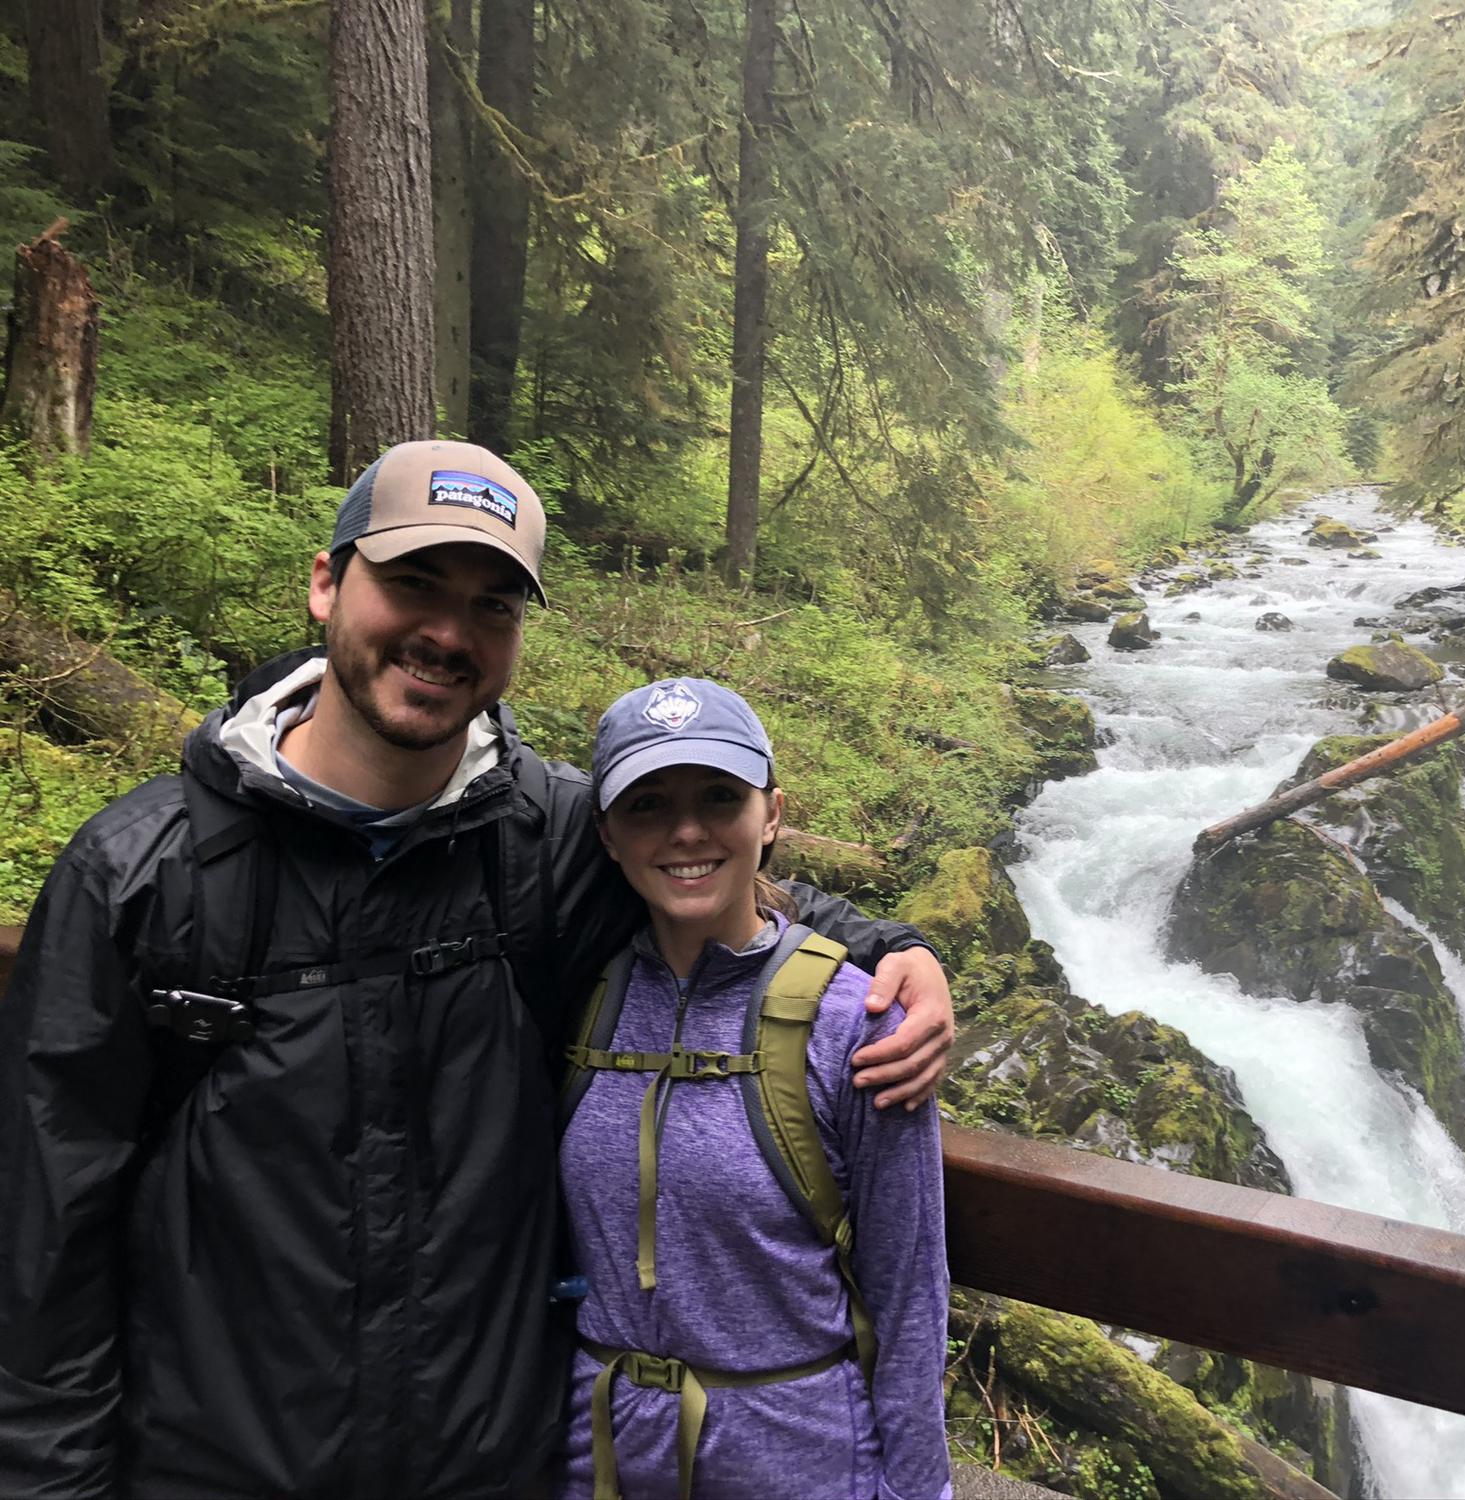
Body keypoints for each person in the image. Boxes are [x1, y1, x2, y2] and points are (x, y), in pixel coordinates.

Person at [0, 441, 955, 1498]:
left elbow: (702, 877)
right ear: (325, 584)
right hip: (215, 1466)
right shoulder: (140, 874)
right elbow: (46, 1236)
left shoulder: (541, 840)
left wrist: (894, 950)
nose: (448, 632)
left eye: (492, 605)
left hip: (491, 1465)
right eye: (412, 583)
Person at [558, 678, 948, 1500]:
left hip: (797, 1459)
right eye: (649, 804)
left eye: (719, 797)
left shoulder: (861, 1024)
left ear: (771, 815)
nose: (687, 830)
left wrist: (919, 1489)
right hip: (600, 1456)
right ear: (606, 833)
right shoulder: (573, 995)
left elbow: (910, 1293)